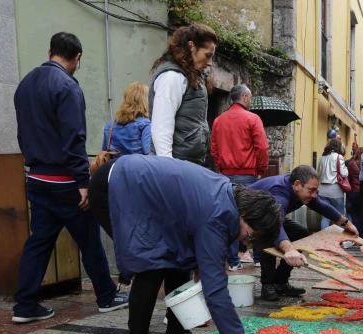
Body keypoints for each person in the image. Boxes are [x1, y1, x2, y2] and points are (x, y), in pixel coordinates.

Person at [88, 155, 281, 334]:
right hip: (115, 186)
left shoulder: (231, 200)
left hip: (143, 192)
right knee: (151, 265)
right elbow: (215, 287)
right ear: (246, 215)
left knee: (178, 259)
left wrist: (200, 262)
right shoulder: (217, 214)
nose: (245, 241)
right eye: (250, 235)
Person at [11, 32, 127, 324]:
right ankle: (106, 295)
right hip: (65, 180)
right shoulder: (67, 86)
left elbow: (23, 134)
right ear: (77, 58)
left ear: (50, 51)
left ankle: (24, 304)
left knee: (39, 242)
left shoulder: (25, 85)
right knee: (89, 239)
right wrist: (83, 182)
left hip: (37, 177)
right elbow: (74, 138)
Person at [251, 166, 359, 301]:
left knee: (302, 236)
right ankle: (267, 286)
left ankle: (280, 282)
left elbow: (323, 206)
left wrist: (347, 224)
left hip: (274, 217)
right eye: (311, 190)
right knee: (269, 240)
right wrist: (289, 249)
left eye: (316, 191)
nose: (314, 195)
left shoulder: (302, 191)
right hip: (255, 219)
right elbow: (274, 224)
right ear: (297, 185)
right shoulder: (279, 192)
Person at [210, 83, 269, 270]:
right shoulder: (253, 119)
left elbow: (214, 149)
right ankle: (259, 258)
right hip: (248, 176)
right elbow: (262, 148)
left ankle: (234, 261)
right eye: (249, 98)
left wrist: (222, 167)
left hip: (225, 176)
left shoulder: (219, 121)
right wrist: (261, 169)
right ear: (244, 97)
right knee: (255, 217)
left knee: (229, 218)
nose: (250, 101)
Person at [149, 23, 218, 165]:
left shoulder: (192, 77)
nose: (210, 63)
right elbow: (161, 129)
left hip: (187, 164)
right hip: (175, 166)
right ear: (192, 46)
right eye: (207, 55)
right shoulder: (172, 76)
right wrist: (168, 169)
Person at [101, 82, 151, 157]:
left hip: (115, 167)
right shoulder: (146, 125)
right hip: (137, 167)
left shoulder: (110, 125)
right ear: (145, 101)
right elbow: (148, 154)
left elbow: (105, 152)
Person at [317, 139, 348, 229]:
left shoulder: (322, 157)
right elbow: (344, 173)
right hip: (335, 190)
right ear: (338, 147)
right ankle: (338, 238)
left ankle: (324, 237)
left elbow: (317, 174)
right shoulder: (339, 157)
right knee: (340, 216)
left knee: (325, 216)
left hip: (322, 190)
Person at [345, 147, 363, 234]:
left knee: (354, 215)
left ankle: (356, 233)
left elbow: (348, 179)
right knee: (362, 216)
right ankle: (362, 235)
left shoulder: (351, 163)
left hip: (353, 192)